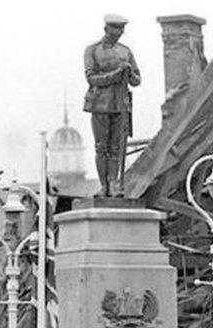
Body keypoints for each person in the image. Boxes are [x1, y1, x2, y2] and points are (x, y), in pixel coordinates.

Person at [83, 13, 141, 198]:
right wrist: (114, 76)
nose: (120, 32)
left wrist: (130, 74)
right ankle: (104, 186)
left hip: (120, 104)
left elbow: (137, 80)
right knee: (101, 147)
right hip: (100, 103)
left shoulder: (126, 51)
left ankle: (114, 184)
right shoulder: (92, 50)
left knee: (117, 148)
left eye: (122, 29)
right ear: (106, 29)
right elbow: (91, 78)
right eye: (116, 29)